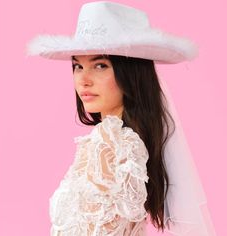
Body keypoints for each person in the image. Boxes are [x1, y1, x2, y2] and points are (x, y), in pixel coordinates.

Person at [26, 1, 216, 235]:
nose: (83, 80)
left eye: (100, 65)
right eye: (77, 66)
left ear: (131, 74)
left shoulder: (113, 143)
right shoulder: (114, 139)